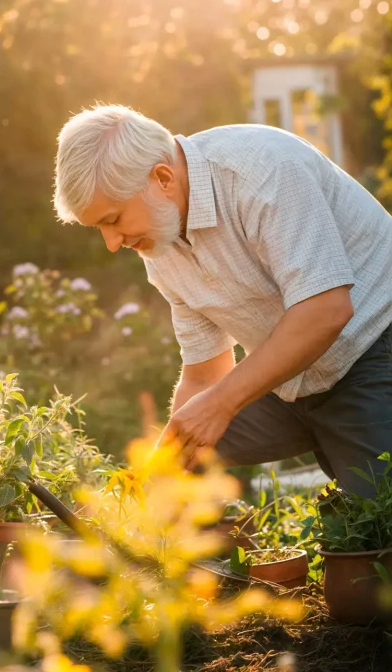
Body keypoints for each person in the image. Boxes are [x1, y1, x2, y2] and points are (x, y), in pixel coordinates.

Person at [53, 105, 392, 497]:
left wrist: (221, 405)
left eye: (113, 220)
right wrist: (157, 475)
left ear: (162, 177)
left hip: (373, 350)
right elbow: (203, 375)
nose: (112, 243)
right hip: (292, 381)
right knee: (185, 463)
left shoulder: (263, 172)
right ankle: (188, 553)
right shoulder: (160, 246)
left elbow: (326, 310)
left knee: (369, 532)